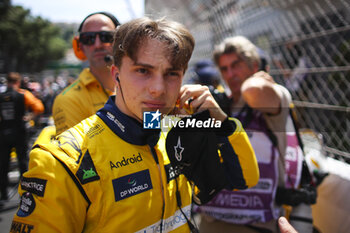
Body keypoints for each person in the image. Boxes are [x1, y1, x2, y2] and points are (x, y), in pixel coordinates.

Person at [10, 17, 259, 232]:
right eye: (143, 71)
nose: (158, 89)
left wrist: (222, 123)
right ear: (116, 74)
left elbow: (244, 180)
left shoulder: (174, 132)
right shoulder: (62, 161)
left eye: (172, 73)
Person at [194, 36, 310, 233]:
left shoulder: (272, 93)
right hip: (212, 221)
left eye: (236, 65)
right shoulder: (220, 104)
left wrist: (255, 78)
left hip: (258, 224)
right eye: (224, 69)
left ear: (254, 65)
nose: (230, 74)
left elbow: (254, 91)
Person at [52, 12, 120, 134]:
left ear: (120, 42)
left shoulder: (141, 87)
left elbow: (156, 132)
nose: (98, 45)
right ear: (80, 46)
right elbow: (75, 152)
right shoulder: (68, 100)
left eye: (106, 37)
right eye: (89, 39)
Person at [0, 72, 44, 200]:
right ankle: (25, 193)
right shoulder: (23, 95)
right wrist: (30, 117)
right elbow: (39, 107)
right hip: (19, 132)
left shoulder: (1, 96)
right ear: (18, 82)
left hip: (4, 134)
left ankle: (3, 194)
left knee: (3, 164)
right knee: (23, 162)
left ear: (7, 82)